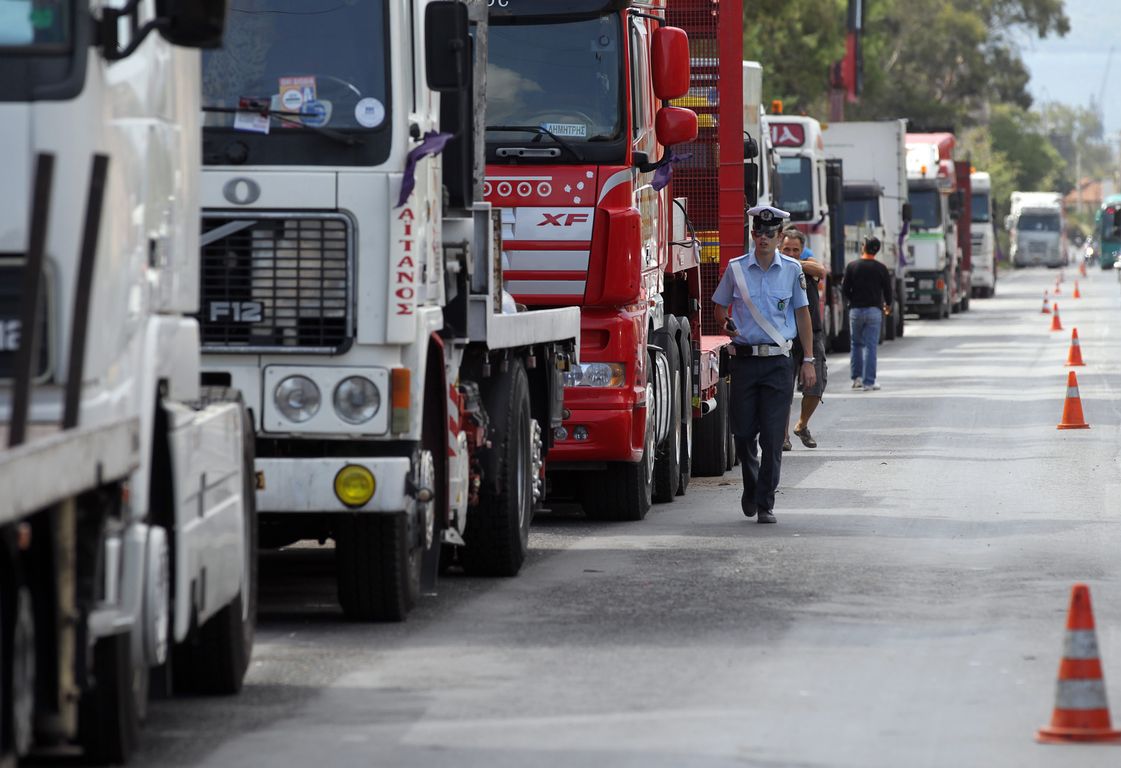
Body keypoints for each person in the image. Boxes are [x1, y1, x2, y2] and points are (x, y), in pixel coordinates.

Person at [712, 205, 816, 524]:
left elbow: (802, 315)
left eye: (770, 234)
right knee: (743, 434)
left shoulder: (792, 270)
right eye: (758, 233)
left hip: (778, 363)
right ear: (753, 234)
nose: (764, 239)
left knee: (772, 437)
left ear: (779, 236)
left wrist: (808, 359)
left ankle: (765, 502)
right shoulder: (736, 269)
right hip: (744, 362)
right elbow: (718, 307)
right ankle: (752, 483)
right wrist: (725, 323)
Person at [780, 228, 827, 449]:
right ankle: (783, 437)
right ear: (779, 247)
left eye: (795, 250)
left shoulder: (806, 266)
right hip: (784, 336)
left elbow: (821, 270)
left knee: (815, 385)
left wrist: (796, 263)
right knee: (782, 389)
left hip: (812, 334)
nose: (790, 253)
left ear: (802, 250)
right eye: (786, 249)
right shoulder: (774, 269)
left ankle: (801, 424)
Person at [842, 235, 893, 391]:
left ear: (863, 247)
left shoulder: (852, 266)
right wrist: (887, 305)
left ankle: (856, 379)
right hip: (874, 311)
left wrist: (852, 301)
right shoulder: (881, 268)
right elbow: (888, 291)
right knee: (871, 346)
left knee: (856, 344)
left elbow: (845, 290)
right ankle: (869, 381)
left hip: (856, 310)